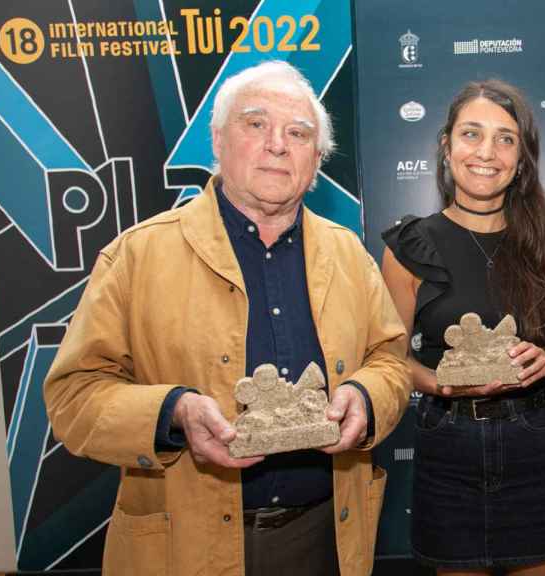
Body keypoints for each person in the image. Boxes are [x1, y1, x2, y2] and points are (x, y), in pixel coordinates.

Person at [43, 60, 411, 576]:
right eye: (256, 124)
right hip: (184, 545)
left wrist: (367, 397)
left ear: (317, 158)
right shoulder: (136, 255)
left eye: (298, 133)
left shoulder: (348, 253)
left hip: (323, 538)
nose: (278, 144)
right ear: (217, 141)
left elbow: (390, 361)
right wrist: (175, 412)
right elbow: (72, 396)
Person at [380, 79, 545, 575]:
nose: (487, 152)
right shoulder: (409, 247)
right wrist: (438, 382)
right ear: (447, 146)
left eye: (505, 138)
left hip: (536, 441)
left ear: (522, 157)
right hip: (449, 443)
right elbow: (388, 361)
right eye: (471, 134)